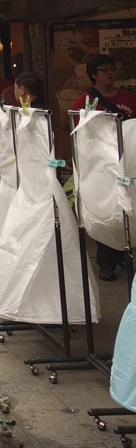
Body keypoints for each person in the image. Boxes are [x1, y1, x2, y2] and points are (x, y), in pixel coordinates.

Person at [72, 54, 136, 281]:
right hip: (100, 166)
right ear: (93, 75)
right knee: (105, 210)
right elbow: (80, 135)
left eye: (112, 68)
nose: (110, 73)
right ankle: (106, 262)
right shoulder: (85, 100)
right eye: (104, 70)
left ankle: (124, 255)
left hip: (125, 163)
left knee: (125, 209)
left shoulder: (128, 97)